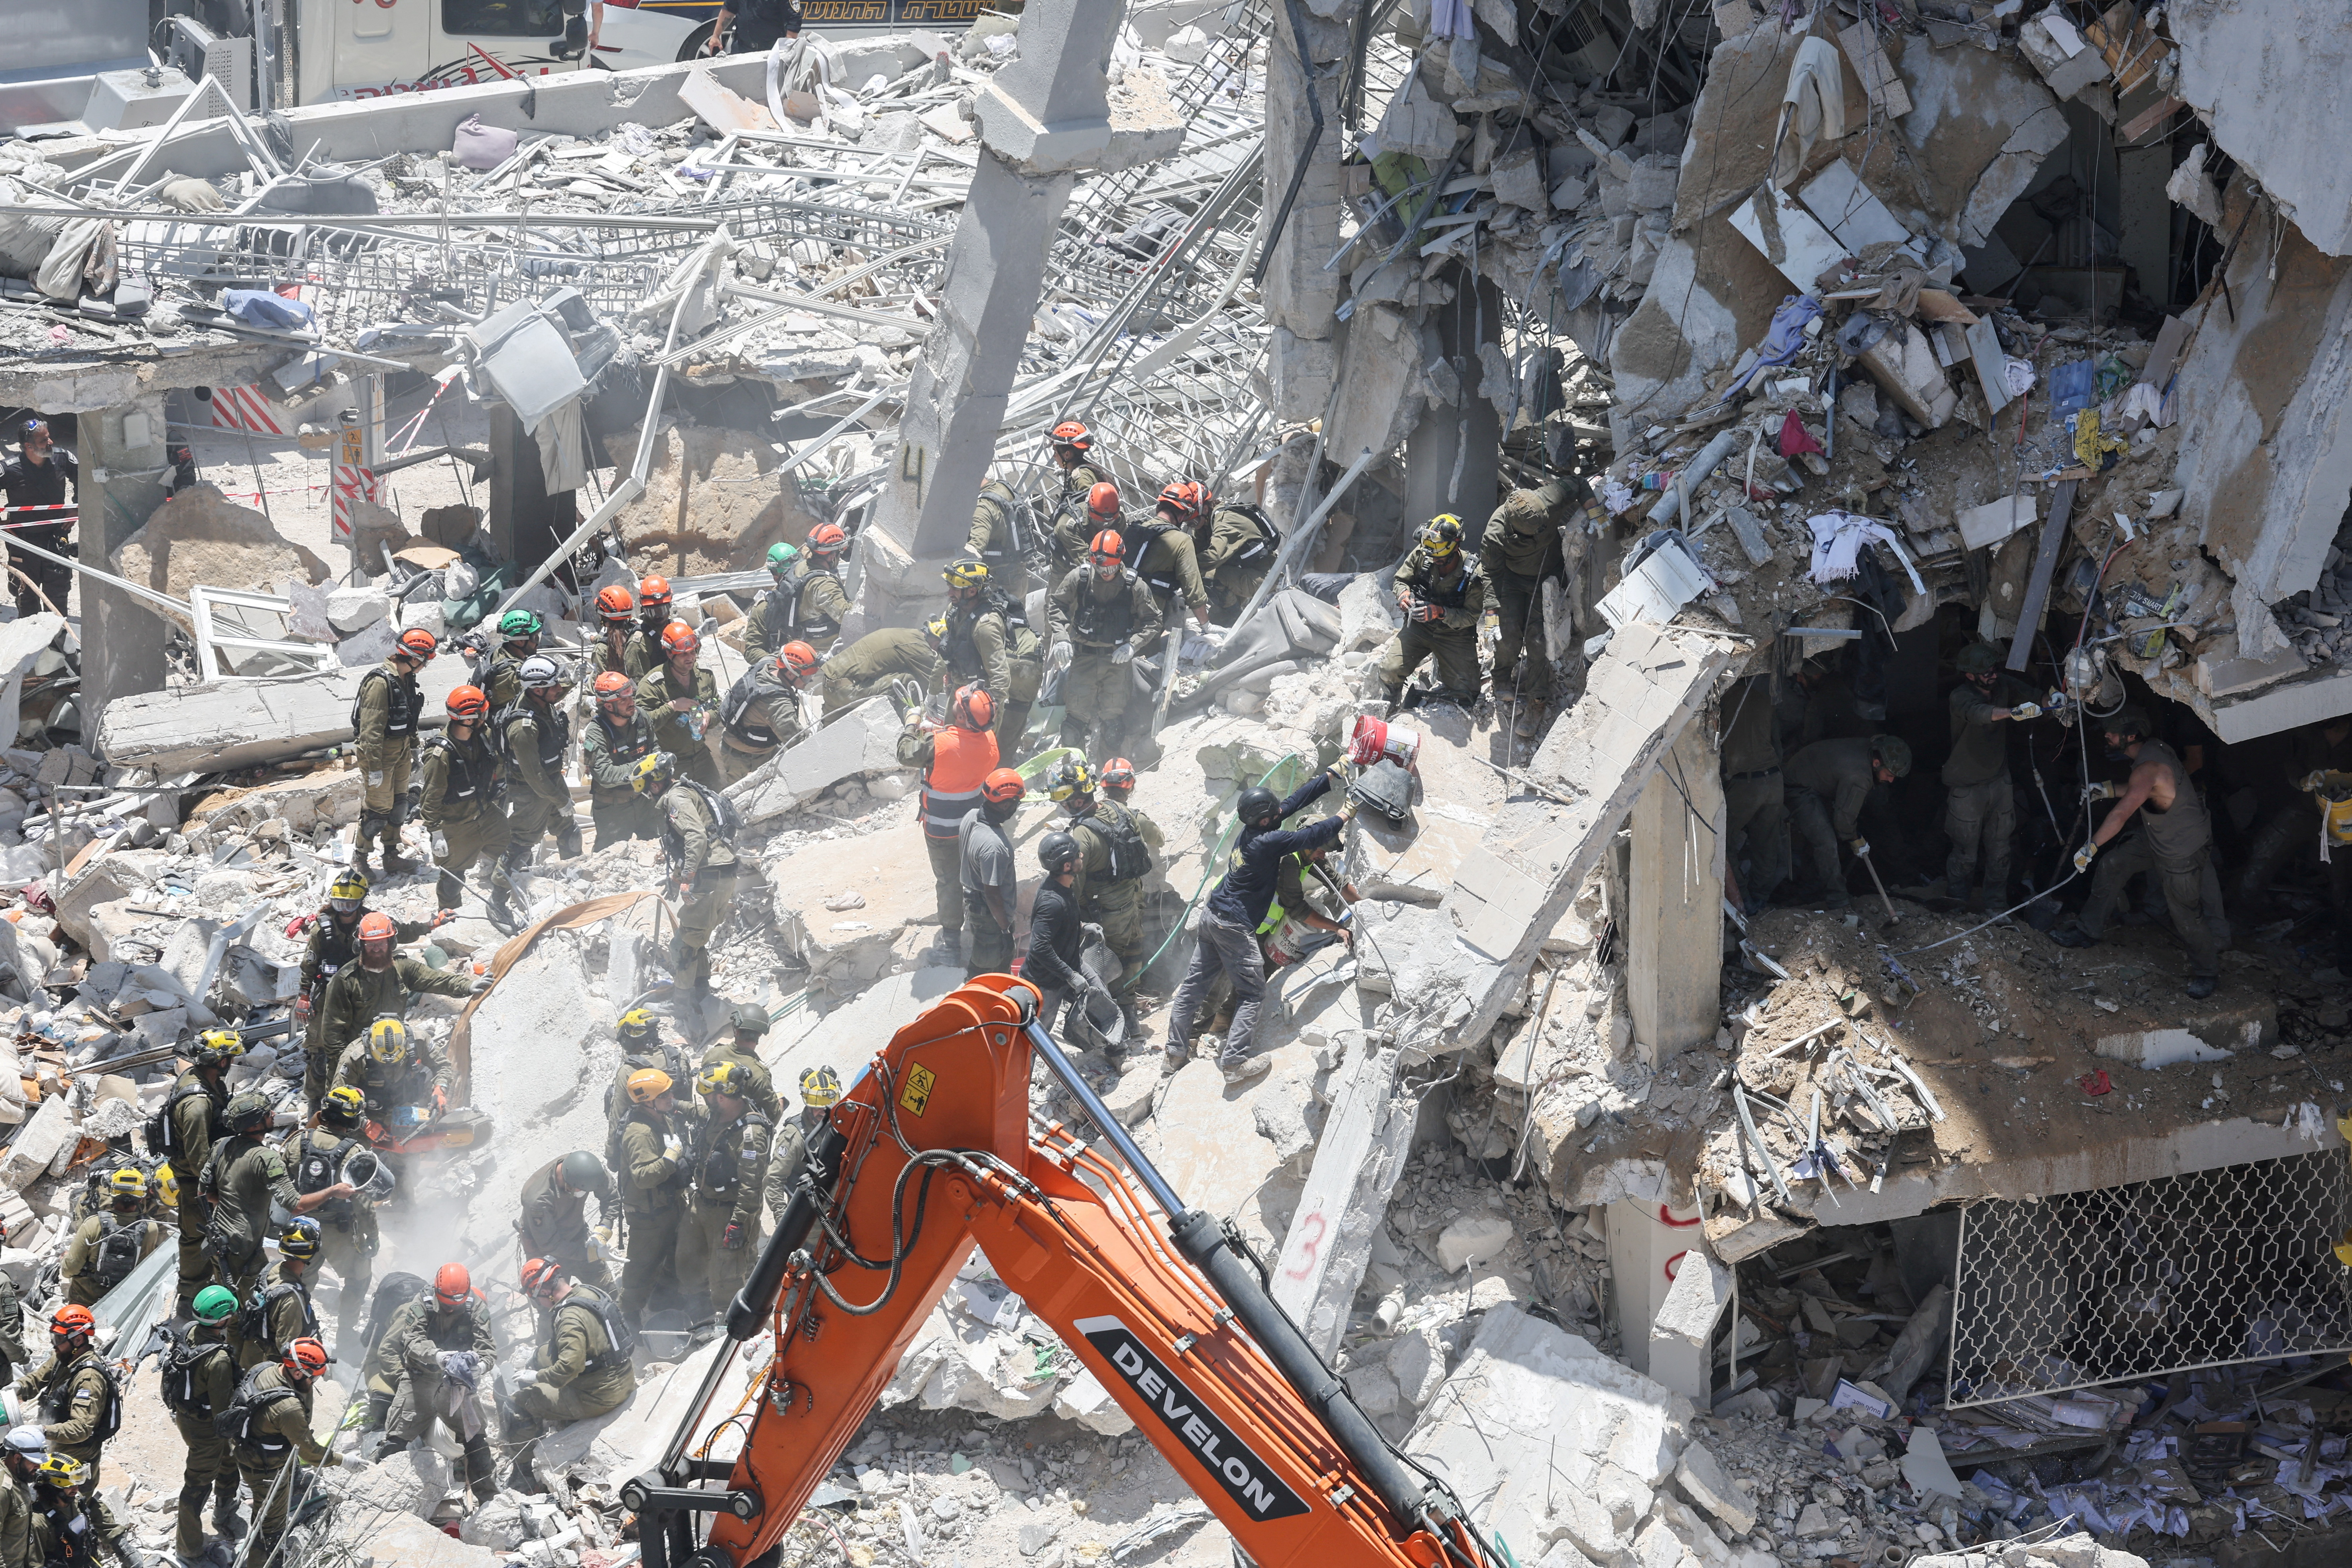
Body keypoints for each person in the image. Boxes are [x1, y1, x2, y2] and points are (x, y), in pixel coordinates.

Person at [1166, 768, 1353, 1084]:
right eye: (1274, 812)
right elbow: (1309, 835)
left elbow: (1294, 802)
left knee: (1193, 987)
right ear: (1266, 820)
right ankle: (1234, 1063)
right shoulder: (1268, 843)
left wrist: (1331, 774)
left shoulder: (1254, 830)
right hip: (1234, 927)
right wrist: (1347, 813)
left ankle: (1174, 1055)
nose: (1280, 812)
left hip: (1212, 915)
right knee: (1252, 991)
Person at [2051, 706, 2223, 997]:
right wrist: (2105, 789)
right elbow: (2141, 791)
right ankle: (2087, 930)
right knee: (2114, 864)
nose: (2107, 735)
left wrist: (2090, 846)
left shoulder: (2147, 768)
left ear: (2131, 735)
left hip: (2180, 849)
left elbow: (2121, 815)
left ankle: (2207, 973)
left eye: (2113, 732)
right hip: (2160, 836)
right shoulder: (2153, 749)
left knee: (2185, 914)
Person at [9, 1306, 142, 1568]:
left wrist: (43, 1432)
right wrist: (18, 1388)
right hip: (55, 1444)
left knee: (78, 1501)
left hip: (77, 1452)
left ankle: (109, 1547)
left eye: (59, 1338)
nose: (54, 1344)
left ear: (79, 1339)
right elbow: (40, 1376)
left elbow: (81, 1427)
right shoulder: (65, 1355)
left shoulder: (89, 1378)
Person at [295, 872, 439, 1113]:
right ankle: (315, 1100)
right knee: (319, 1054)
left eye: (350, 904)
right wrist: (303, 995)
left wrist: (431, 925)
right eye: (340, 904)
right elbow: (309, 963)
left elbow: (400, 931)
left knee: (372, 1048)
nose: (345, 910)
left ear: (361, 901)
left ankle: (368, 1097)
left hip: (362, 993)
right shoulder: (322, 928)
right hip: (328, 997)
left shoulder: (371, 923)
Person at [316, 912, 480, 1103]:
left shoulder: (403, 969)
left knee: (399, 1111)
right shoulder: (345, 980)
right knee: (348, 1116)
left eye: (381, 944)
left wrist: (467, 986)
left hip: (396, 1055)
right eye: (370, 945)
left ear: (391, 943)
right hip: (359, 1060)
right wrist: (354, 1067)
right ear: (360, 945)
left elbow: (437, 980)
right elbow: (332, 1034)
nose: (376, 950)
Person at [898, 685, 1001, 966]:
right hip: (975, 825)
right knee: (975, 875)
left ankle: (952, 944)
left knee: (948, 881)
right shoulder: (990, 739)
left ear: (961, 716)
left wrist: (912, 722)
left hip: (942, 828)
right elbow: (961, 743)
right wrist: (936, 728)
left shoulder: (938, 745)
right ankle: (983, 928)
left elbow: (906, 753)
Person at [2230, 715, 2352, 949]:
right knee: (2265, 850)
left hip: (2343, 812)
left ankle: (2343, 944)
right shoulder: (2310, 731)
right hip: (2305, 807)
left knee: (2343, 876)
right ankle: (2238, 923)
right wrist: (2303, 780)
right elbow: (2292, 763)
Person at [376, 1265, 497, 1499]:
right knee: (396, 1439)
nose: (453, 1308)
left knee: (476, 1437)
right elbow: (412, 1341)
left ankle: (488, 1499)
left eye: (458, 1303)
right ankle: (379, 1494)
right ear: (438, 1291)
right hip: (420, 1379)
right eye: (448, 1303)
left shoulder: (476, 1306)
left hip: (457, 1383)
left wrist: (480, 1366)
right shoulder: (422, 1302)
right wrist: (437, 1356)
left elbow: (488, 1348)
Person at [197, 1095, 329, 1303]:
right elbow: (297, 1205)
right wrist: (333, 1191)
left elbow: (204, 1194)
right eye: (268, 1114)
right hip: (245, 1249)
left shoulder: (222, 1146)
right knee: (253, 1310)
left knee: (230, 1303)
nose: (274, 1115)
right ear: (256, 1123)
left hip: (218, 1239)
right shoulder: (266, 1158)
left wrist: (236, 1199)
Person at [1047, 759, 1154, 1006]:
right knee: (1132, 951)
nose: (1062, 804)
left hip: (1106, 915)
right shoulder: (1120, 809)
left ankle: (1122, 1016)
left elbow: (1072, 890)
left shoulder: (1080, 836)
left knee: (1107, 967)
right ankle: (1132, 1000)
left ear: (1076, 800)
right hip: (1132, 902)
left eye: (1064, 798)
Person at [1048, 531, 1163, 759]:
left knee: (1113, 727)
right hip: (1083, 659)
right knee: (1073, 726)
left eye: (1111, 568)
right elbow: (1056, 605)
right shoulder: (1079, 578)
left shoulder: (1135, 586)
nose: (1105, 573)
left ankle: (1109, 774)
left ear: (1121, 560)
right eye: (1101, 568)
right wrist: (1061, 637)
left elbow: (1154, 621)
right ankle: (1074, 772)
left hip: (1116, 662)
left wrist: (1133, 646)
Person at [1941, 642, 2039, 911]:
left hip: (1998, 782)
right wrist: (2013, 713)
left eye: (1994, 669)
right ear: (1970, 675)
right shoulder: (1960, 696)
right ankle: (1956, 906)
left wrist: (2052, 700)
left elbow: (2031, 694)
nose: (1992, 675)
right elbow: (1979, 713)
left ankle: (1996, 907)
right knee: (1965, 855)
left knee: (2001, 852)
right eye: (1986, 672)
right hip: (1967, 787)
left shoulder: (2001, 684)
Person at [635, 751, 742, 994]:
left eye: (647, 791)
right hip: (722, 873)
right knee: (696, 940)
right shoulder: (687, 791)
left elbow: (696, 836)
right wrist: (677, 874)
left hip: (709, 876)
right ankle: (701, 993)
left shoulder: (676, 799)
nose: (648, 796)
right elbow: (697, 840)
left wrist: (688, 877)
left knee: (681, 946)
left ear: (654, 784)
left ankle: (683, 1003)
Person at [155, 1029, 240, 1313]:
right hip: (196, 1182)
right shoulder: (197, 1103)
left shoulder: (206, 1081)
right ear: (220, 1061)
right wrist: (213, 1192)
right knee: (196, 1235)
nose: (230, 1063)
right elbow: (198, 1157)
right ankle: (192, 1292)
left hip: (203, 1176)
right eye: (228, 1058)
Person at [1482, 480, 1576, 734]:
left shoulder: (1550, 497)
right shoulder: (1496, 531)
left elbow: (1579, 484)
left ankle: (1537, 702)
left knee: (1538, 640)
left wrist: (1595, 512)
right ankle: (1502, 678)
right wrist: (1491, 613)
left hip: (1547, 578)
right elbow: (1490, 573)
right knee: (1507, 632)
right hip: (1512, 581)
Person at [224, 1339, 330, 1561]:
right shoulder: (288, 1408)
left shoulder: (263, 1368)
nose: (315, 1382)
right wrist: (342, 1460)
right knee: (270, 1529)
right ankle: (260, 1561)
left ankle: (259, 1519)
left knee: (265, 1511)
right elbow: (309, 1452)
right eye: (314, 1377)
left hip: (246, 1450)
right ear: (298, 1374)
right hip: (267, 1468)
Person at [680, 1061, 771, 1320]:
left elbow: (752, 1186)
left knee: (727, 1276)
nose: (706, 1101)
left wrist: (738, 1224)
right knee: (689, 1256)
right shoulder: (720, 1112)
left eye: (708, 1096)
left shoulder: (750, 1135)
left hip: (730, 1212)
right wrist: (675, 1105)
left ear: (720, 1096)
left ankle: (728, 1322)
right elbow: (700, 1113)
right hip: (705, 1201)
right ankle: (699, 1308)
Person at [294, 1089, 384, 1349]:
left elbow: (283, 1180)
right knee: (359, 1277)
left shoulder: (300, 1140)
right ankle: (345, 1332)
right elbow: (363, 1202)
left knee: (300, 1280)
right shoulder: (354, 1151)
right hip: (339, 1230)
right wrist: (373, 1235)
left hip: (302, 1226)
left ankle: (298, 1327)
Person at [419, 684, 517, 922]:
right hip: (456, 823)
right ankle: (450, 920)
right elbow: (430, 797)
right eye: (481, 714)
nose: (485, 718)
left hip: (485, 813)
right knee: (453, 879)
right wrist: (436, 832)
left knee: (514, 852)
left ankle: (504, 900)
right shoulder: (440, 755)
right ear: (470, 719)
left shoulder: (482, 737)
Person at [507, 1260, 636, 1439]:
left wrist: (536, 1377)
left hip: (601, 1397)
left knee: (519, 1401)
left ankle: (526, 1459)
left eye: (537, 1300)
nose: (540, 1305)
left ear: (544, 1292)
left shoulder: (569, 1319)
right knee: (542, 1354)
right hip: (625, 1375)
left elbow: (568, 1370)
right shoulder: (588, 1291)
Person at [1782, 734, 1911, 909]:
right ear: (1876, 763)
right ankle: (1838, 902)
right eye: (1889, 775)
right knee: (1826, 842)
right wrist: (1856, 840)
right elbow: (1843, 823)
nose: (1891, 780)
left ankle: (1811, 890)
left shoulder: (1871, 747)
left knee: (1822, 837)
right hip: (1798, 786)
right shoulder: (1858, 777)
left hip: (1817, 776)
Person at [161, 1287, 242, 1564]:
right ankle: (190, 1548)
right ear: (223, 1319)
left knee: (228, 1459)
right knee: (196, 1486)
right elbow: (223, 1414)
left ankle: (225, 1507)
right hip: (207, 1429)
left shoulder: (191, 1330)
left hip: (188, 1417)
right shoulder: (217, 1359)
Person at [351, 628, 439, 878]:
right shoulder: (380, 683)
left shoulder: (406, 679)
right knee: (378, 812)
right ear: (413, 658)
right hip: (379, 753)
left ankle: (391, 856)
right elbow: (370, 731)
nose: (423, 666)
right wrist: (375, 767)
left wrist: (412, 748)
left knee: (400, 806)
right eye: (423, 661)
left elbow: (409, 718)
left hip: (399, 750)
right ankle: (360, 857)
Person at [933, 557, 1044, 757]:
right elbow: (949, 648)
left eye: (955, 589)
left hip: (980, 698)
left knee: (977, 756)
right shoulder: (954, 611)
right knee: (951, 743)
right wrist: (940, 685)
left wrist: (986, 720)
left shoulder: (985, 627)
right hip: (961, 688)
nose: (950, 593)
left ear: (973, 591)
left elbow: (1001, 681)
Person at [1376, 516, 1487, 709]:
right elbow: (1401, 580)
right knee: (1389, 671)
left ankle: (1441, 677)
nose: (1434, 561)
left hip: (1455, 634)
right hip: (1419, 628)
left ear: (1455, 548)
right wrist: (1404, 595)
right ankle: (1392, 700)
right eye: (1432, 557)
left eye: (1440, 559)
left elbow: (1471, 616)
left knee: (1467, 694)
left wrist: (1440, 612)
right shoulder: (1423, 553)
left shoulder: (1474, 573)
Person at [615, 1069, 692, 1326]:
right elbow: (643, 1177)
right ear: (647, 1101)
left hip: (668, 1204)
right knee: (641, 1267)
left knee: (675, 1254)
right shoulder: (640, 1134)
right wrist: (670, 1159)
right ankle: (629, 1316)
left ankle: (664, 1299)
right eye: (665, 1094)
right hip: (648, 1216)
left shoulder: (661, 1117)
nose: (672, 1097)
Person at [1023, 832, 1111, 1044]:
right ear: (1067, 866)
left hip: (1071, 965)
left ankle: (1114, 1051)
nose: (1082, 855)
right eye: (1077, 855)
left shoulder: (1064, 887)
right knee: (1039, 1036)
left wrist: (1083, 927)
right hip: (1047, 982)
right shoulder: (1052, 902)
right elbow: (1040, 946)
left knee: (1103, 1002)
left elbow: (1059, 927)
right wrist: (1070, 976)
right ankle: (1028, 1074)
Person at [500, 653, 582, 867]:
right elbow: (534, 776)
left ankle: (573, 877)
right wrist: (560, 800)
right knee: (522, 844)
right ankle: (502, 893)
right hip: (530, 789)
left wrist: (572, 682)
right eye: (555, 685)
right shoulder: (523, 728)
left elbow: (553, 694)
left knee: (569, 831)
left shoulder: (538, 700)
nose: (559, 688)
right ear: (538, 690)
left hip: (551, 779)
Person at [1718, 676, 1789, 915]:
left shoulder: (1722, 701)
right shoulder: (1765, 699)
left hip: (1748, 784)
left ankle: (1744, 901)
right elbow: (1777, 744)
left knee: (1722, 841)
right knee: (1766, 843)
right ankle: (1761, 899)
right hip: (1774, 780)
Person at [0, 419, 76, 621]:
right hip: (23, 541)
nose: (51, 442)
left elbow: (84, 479)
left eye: (49, 437)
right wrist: (2, 526)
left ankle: (59, 647)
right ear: (29, 447)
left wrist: (75, 509)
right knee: (25, 595)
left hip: (56, 537)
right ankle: (32, 646)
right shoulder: (9, 469)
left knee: (58, 596)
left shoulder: (63, 459)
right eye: (44, 440)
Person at [637, 622, 723, 791]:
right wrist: (672, 707)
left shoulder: (705, 675)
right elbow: (641, 724)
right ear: (670, 654)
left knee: (716, 799)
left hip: (701, 756)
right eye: (683, 654)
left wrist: (709, 717)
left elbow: (718, 705)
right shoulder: (653, 684)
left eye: (693, 652)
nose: (690, 658)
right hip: (671, 762)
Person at [716, 643, 817, 786]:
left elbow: (784, 653)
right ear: (790, 673)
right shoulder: (778, 703)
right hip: (746, 759)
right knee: (743, 798)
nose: (810, 681)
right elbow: (797, 742)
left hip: (757, 749)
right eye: (807, 678)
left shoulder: (769, 664)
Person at [582, 671, 663, 847]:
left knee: (658, 848)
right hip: (614, 809)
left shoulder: (640, 717)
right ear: (609, 707)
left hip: (645, 801)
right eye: (623, 701)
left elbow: (655, 747)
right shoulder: (596, 733)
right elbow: (606, 775)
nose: (631, 703)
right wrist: (646, 765)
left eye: (631, 697)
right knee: (609, 859)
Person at [57, 1171, 161, 1308]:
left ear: (112, 1194)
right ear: (141, 1198)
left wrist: (65, 1260)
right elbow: (144, 1268)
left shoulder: (93, 1224)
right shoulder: (151, 1228)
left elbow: (70, 1269)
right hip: (121, 1302)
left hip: (85, 1299)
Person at [516, 1153, 616, 1294]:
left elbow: (611, 1197)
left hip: (577, 1236)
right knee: (551, 1304)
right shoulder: (538, 1200)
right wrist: (589, 1253)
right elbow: (550, 1244)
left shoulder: (588, 1171)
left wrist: (603, 1230)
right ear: (569, 1185)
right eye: (582, 1191)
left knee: (607, 1289)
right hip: (546, 1255)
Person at [960, 769, 1027, 978]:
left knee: (986, 955)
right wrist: (1006, 929)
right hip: (990, 915)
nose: (1016, 808)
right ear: (1006, 804)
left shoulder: (971, 817)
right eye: (1016, 803)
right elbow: (992, 894)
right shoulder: (994, 846)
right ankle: (978, 997)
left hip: (976, 904)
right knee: (991, 964)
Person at [331, 1020, 456, 1132]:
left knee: (409, 1149)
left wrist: (440, 1089)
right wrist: (364, 1124)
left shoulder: (420, 1041)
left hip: (404, 1105)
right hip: (367, 1114)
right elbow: (338, 1100)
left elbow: (443, 1066)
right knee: (352, 1149)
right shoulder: (354, 1057)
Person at [235, 1220, 321, 1372]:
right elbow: (286, 1348)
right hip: (266, 1369)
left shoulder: (272, 1267)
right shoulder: (293, 1299)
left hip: (251, 1353)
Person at [1191, 484, 1283, 623]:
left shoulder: (1226, 522)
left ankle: (1240, 619)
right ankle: (1236, 616)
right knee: (1217, 619)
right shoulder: (1206, 523)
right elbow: (1195, 550)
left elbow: (1213, 557)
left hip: (1264, 576)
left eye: (1193, 521)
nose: (1192, 525)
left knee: (1209, 577)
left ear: (1205, 509)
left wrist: (1182, 567)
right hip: (1242, 571)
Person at [1127, 484, 1213, 632]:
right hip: (1147, 620)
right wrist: (1206, 625)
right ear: (1183, 516)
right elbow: (1193, 590)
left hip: (1118, 610)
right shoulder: (1182, 541)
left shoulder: (1133, 529)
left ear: (1158, 507)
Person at [767, 523, 851, 655]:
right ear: (832, 556)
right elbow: (848, 617)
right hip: (822, 655)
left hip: (800, 646)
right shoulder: (824, 586)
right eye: (838, 554)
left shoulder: (799, 567)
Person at [821, 627, 944, 715]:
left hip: (829, 684)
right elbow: (933, 688)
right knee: (908, 681)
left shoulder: (906, 634)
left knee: (825, 737)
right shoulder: (920, 648)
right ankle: (906, 731)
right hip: (845, 690)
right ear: (936, 644)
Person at [1044, 423, 1114, 573]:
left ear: (1067, 455)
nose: (1054, 456)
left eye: (1055, 451)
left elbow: (1091, 514)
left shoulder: (1081, 476)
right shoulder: (1083, 470)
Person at [700, 1004, 783, 1122]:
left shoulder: (712, 1055)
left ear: (736, 1029)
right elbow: (773, 1117)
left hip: (714, 1123)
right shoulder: (758, 1073)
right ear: (760, 1034)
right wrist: (780, 1098)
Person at [965, 477, 1030, 600]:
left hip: (1001, 586)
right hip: (1020, 578)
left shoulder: (983, 508)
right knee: (1019, 617)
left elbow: (976, 548)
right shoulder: (1004, 487)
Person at [24, 1452, 92, 1568]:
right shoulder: (37, 1523)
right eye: (70, 1486)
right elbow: (34, 1564)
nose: (76, 1489)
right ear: (54, 1488)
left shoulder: (77, 1501)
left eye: (77, 1484)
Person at [740, 542, 802, 660]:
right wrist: (779, 664)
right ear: (775, 576)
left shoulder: (809, 600)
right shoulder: (764, 608)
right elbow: (752, 651)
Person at [476, 608, 544, 711]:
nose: (537, 643)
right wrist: (571, 681)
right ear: (520, 641)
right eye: (535, 638)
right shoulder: (515, 672)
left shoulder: (499, 648)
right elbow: (543, 695)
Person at [588, 584, 645, 683]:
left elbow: (602, 686)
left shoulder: (600, 650)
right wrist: (591, 637)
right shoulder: (638, 633)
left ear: (603, 616)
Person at [708, 0, 801, 56]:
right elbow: (729, 10)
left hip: (770, 51)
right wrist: (716, 36)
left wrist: (786, 51)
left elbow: (794, 20)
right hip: (742, 48)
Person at [629, 575, 677, 674]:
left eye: (662, 610)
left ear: (670, 605)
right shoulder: (639, 644)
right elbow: (639, 684)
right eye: (651, 612)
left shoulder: (669, 623)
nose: (658, 616)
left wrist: (698, 635)